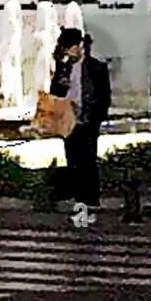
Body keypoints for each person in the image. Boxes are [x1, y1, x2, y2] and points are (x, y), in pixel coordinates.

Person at [47, 28, 112, 214]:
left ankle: (91, 197)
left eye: (71, 47)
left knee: (89, 158)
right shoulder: (64, 68)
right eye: (66, 48)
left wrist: (97, 117)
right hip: (69, 119)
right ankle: (77, 196)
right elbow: (55, 95)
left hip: (87, 119)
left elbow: (103, 95)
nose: (68, 52)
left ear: (80, 46)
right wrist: (60, 83)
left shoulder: (95, 67)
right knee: (72, 158)